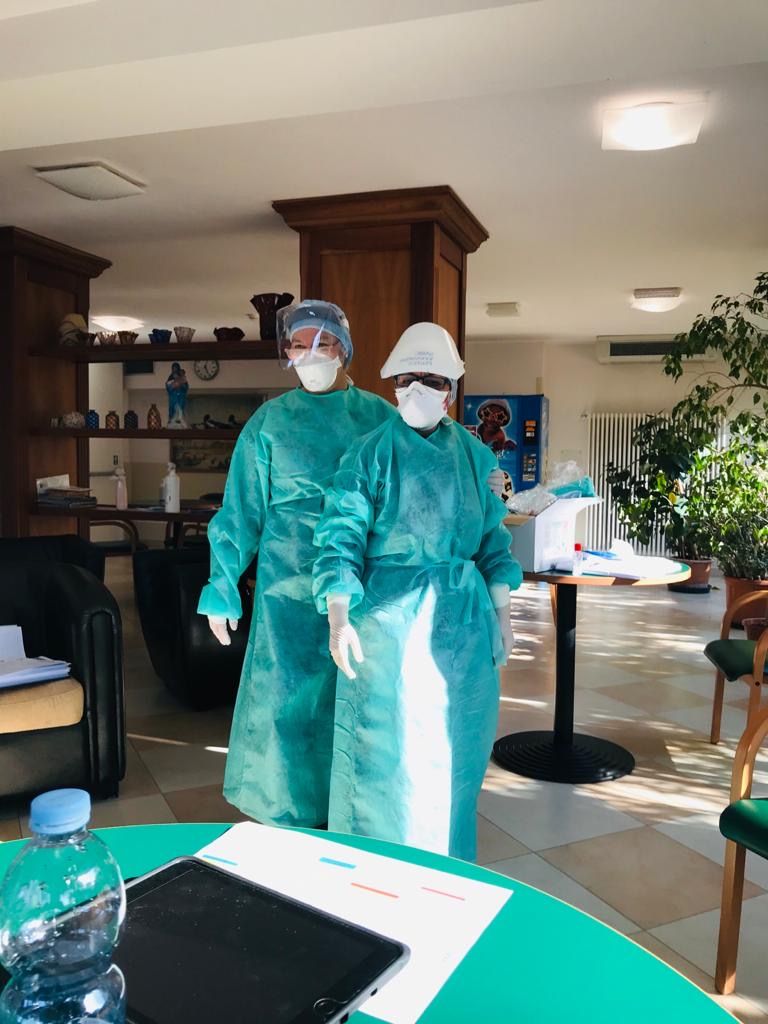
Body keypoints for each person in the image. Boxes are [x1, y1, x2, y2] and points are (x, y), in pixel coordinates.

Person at [312, 322, 522, 861]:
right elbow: (340, 537)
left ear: (451, 388)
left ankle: (448, 870)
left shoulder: (474, 456)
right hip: (388, 630)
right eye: (406, 379)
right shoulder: (369, 454)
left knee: (456, 753)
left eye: (430, 380)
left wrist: (502, 612)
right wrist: (339, 615)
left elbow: (491, 541)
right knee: (387, 757)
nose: (416, 390)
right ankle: (372, 869)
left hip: (464, 628)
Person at [197, 300, 397, 827]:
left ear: (343, 349)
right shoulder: (269, 423)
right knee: (285, 705)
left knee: (353, 701)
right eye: (298, 345)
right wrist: (222, 585)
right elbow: (241, 511)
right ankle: (285, 820)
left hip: (360, 584)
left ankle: (352, 819)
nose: (309, 355)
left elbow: (406, 502)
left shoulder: (379, 419)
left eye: (322, 343)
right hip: (285, 588)